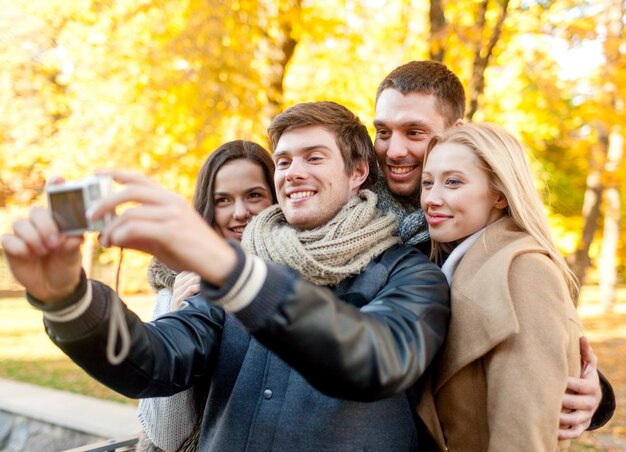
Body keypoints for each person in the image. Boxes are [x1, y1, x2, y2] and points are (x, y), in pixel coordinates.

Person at [2, 101, 450, 450]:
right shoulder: (245, 265)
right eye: (285, 161)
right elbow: (156, 360)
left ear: (357, 172)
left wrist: (230, 270)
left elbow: (376, 360)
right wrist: (68, 298)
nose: (294, 173)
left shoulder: (411, 274)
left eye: (313, 157)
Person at [371, 60, 614, 435]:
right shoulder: (351, 218)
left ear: (455, 132)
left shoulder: (490, 244)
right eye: (383, 131)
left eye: (414, 132)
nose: (394, 150)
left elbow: (527, 349)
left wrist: (595, 395)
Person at [415, 122, 583, 450]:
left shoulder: (521, 270)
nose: (432, 199)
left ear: (500, 194)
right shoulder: (464, 266)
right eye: (427, 183)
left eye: (453, 182)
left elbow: (525, 431)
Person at [137, 140, 277, 451]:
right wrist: (175, 322)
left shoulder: (294, 281)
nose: (240, 213)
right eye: (223, 200)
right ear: (208, 209)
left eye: (254, 195)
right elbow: (166, 435)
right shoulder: (179, 284)